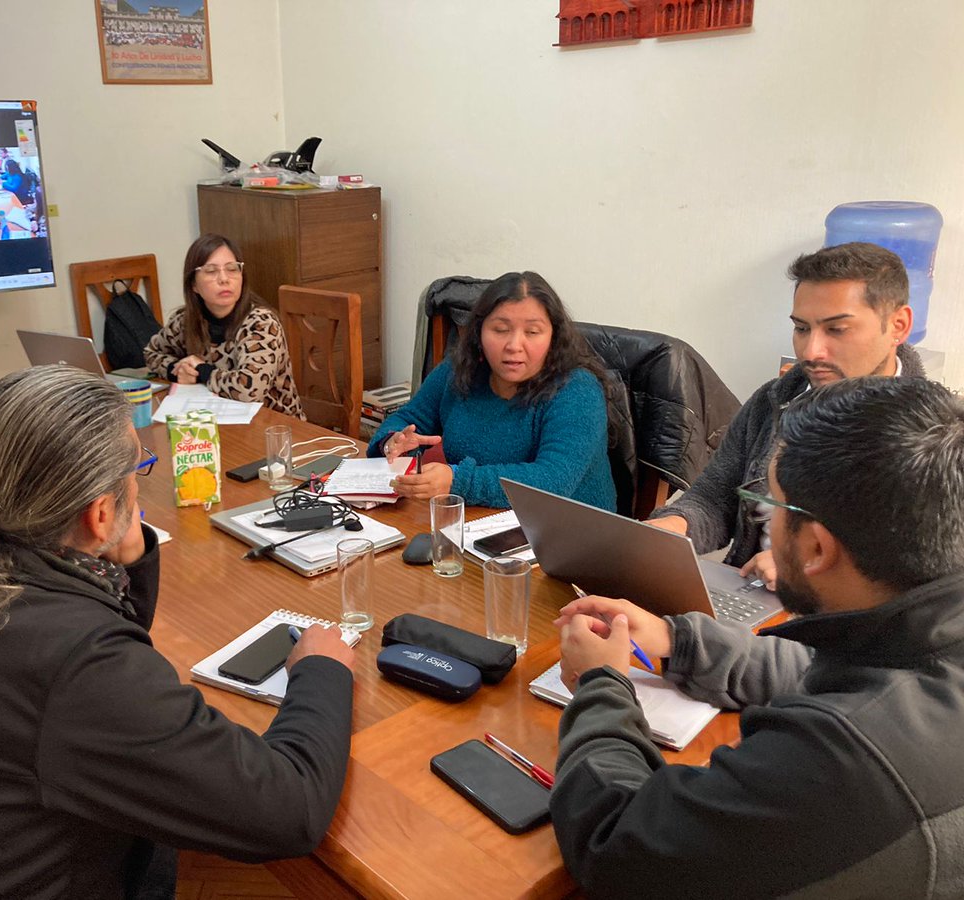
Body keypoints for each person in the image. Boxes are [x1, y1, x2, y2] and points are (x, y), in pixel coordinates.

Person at [0, 365, 354, 899]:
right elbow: (289, 811)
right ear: (100, 513)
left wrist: (126, 559)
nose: (139, 480)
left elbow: (86, 648)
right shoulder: (72, 663)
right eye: (137, 469)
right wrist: (321, 670)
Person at [550, 377, 964, 897]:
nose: (765, 518)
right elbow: (822, 667)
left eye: (771, 507)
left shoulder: (840, 759)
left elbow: (614, 847)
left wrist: (600, 682)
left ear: (815, 546)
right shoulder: (918, 643)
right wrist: (677, 640)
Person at [648, 242, 924, 589]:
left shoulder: (933, 432)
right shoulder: (772, 402)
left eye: (836, 329)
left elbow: (924, 575)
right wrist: (676, 526)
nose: (811, 352)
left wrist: (804, 565)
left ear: (898, 325)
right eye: (802, 328)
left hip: (844, 628)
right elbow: (713, 498)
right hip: (751, 599)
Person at [366, 271, 615, 510]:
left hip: (569, 534)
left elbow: (552, 480)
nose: (514, 345)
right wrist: (393, 442)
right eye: (500, 330)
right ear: (479, 332)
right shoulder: (459, 369)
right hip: (482, 521)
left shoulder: (577, 390)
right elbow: (409, 419)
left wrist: (457, 481)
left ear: (553, 337)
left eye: (532, 332)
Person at [144, 233, 304, 416]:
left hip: (274, 427)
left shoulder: (261, 323)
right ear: (193, 285)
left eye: (232, 269)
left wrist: (201, 371)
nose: (224, 279)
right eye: (211, 271)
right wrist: (178, 371)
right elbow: (151, 354)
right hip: (218, 419)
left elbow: (249, 389)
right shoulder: (185, 321)